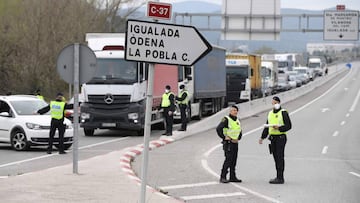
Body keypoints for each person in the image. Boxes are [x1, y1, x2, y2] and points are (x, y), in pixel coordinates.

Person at [259, 96, 292, 184]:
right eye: (273, 103)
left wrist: (279, 127)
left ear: (279, 103)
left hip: (281, 137)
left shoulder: (283, 112)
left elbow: (289, 126)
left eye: (276, 103)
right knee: (275, 157)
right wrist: (262, 137)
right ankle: (278, 176)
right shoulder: (270, 113)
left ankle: (280, 177)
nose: (274, 104)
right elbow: (267, 126)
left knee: (280, 157)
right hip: (273, 138)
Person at [216, 105, 242, 183]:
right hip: (228, 143)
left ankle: (232, 176)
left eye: (236, 110)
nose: (235, 111)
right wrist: (224, 137)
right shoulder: (226, 119)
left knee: (234, 160)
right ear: (230, 111)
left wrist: (238, 138)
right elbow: (218, 128)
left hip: (235, 143)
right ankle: (223, 176)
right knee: (228, 160)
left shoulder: (237, 120)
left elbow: (239, 131)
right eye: (233, 110)